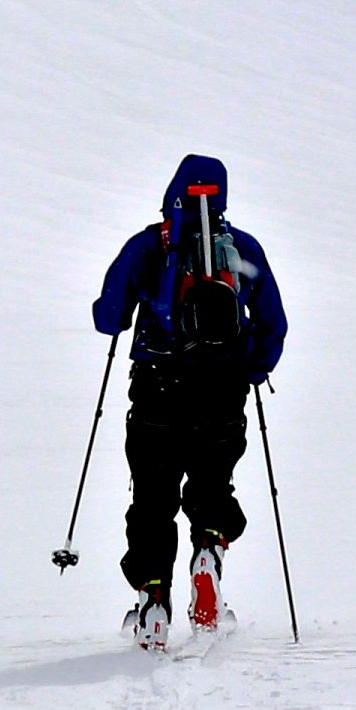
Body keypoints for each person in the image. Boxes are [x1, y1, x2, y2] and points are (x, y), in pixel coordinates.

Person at [92, 153, 287, 640]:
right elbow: (273, 324)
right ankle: (209, 552)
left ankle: (153, 601)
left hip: (158, 388)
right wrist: (252, 368)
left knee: (152, 499)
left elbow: (107, 317)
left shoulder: (147, 246)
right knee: (212, 488)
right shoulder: (240, 249)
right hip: (222, 391)